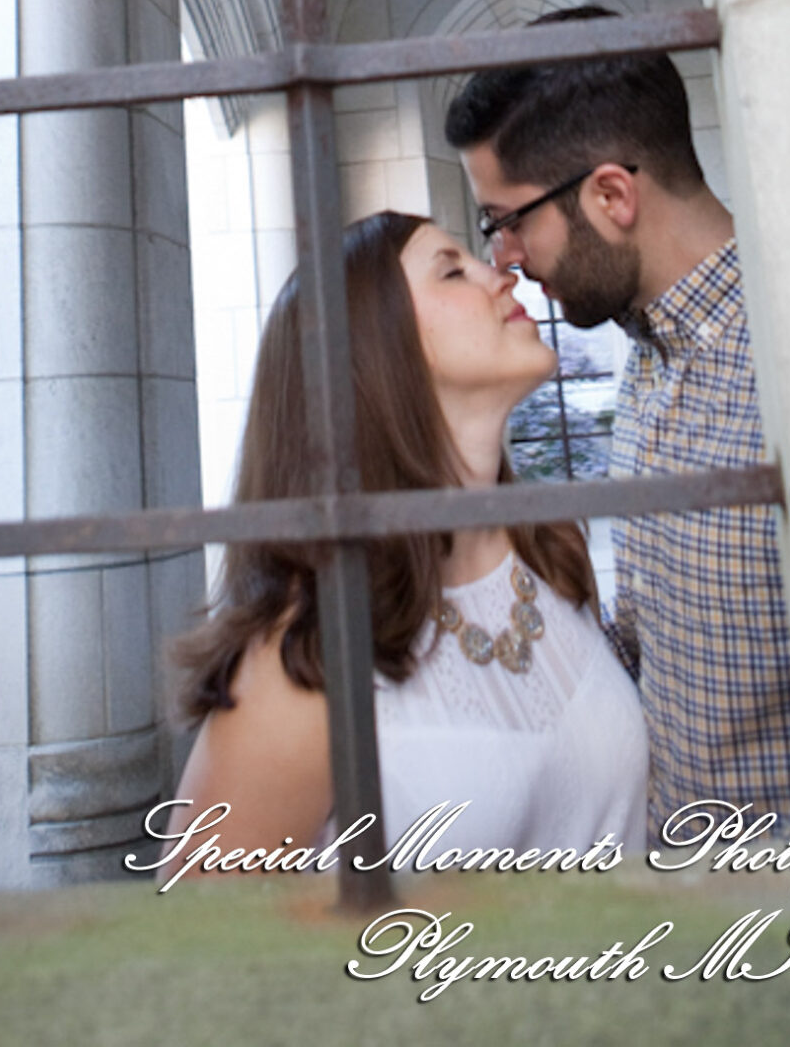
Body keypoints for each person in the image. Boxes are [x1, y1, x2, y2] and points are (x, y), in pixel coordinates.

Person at [443, 12, 790, 842]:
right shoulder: (646, 356)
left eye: (506, 220)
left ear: (611, 195)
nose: (502, 257)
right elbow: (665, 649)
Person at [172, 210, 647, 857]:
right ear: (374, 348)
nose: (501, 272)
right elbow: (204, 943)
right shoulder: (305, 660)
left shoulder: (550, 544)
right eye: (453, 270)